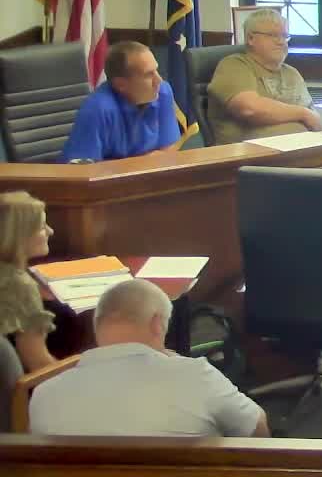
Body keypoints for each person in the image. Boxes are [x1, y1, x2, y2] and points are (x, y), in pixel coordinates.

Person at [29, 278, 269, 437]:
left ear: (97, 326)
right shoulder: (194, 376)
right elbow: (256, 429)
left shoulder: (45, 394)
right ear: (157, 323)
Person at [207, 8, 322, 144]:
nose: (281, 42)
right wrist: (302, 114)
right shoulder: (234, 65)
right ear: (251, 38)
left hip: (301, 149)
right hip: (250, 155)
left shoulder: (292, 73)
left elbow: (315, 122)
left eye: (285, 36)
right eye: (273, 35)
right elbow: (249, 108)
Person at [61, 41, 181, 162]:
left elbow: (171, 149)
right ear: (121, 84)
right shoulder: (97, 109)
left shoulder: (163, 92)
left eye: (156, 70)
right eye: (148, 75)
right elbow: (82, 168)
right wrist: (144, 162)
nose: (159, 80)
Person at [0, 192, 56, 373]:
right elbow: (38, 363)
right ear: (19, 235)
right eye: (41, 226)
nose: (50, 231)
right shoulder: (19, 286)